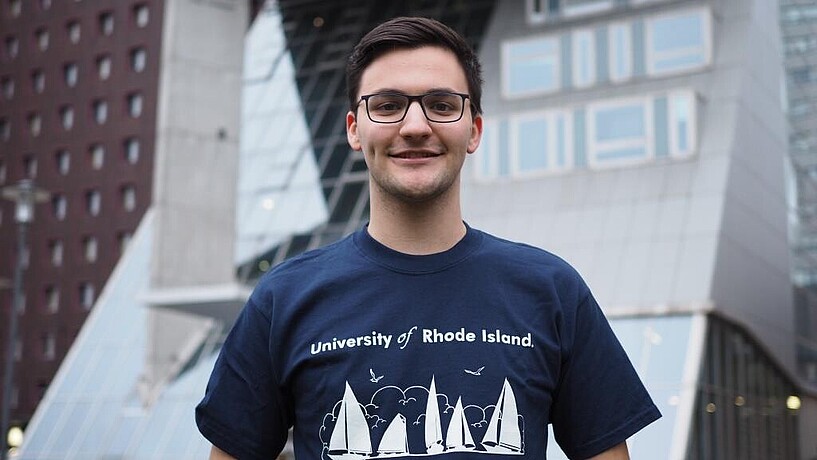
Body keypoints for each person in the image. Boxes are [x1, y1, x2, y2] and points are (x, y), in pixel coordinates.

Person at [196, 16, 660, 460]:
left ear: (473, 129)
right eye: (387, 105)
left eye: (441, 104)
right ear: (355, 130)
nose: (415, 126)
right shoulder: (283, 299)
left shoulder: (552, 290)